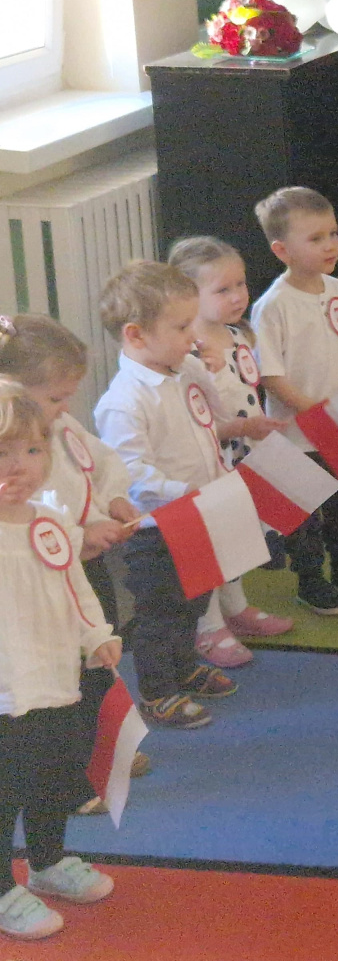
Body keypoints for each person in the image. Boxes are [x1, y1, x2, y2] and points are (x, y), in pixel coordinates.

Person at [96, 262, 275, 725]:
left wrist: (214, 376)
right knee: (160, 613)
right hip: (157, 529)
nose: (194, 336)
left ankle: (185, 667)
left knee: (193, 602)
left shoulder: (185, 367)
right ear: (136, 335)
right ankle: (158, 692)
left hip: (200, 512)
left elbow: (214, 420)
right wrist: (191, 492)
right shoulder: (124, 401)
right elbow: (131, 474)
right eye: (181, 327)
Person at [0, 315, 152, 811]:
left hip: (83, 572)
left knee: (99, 659)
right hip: (41, 583)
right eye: (55, 397)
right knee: (60, 679)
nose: (65, 408)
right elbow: (35, 512)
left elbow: (101, 465)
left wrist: (113, 502)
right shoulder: (15, 450)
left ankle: (99, 750)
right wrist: (80, 535)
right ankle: (72, 773)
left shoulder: (62, 428)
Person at [0, 382, 121, 941]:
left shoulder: (49, 523)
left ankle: (47, 860)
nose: (20, 465)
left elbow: (76, 587)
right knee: (5, 791)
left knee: (52, 775)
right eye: (3, 451)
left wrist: (96, 634)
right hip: (7, 693)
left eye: (33, 449)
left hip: (56, 680)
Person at [251, 187, 338, 614]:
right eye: (315, 238)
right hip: (298, 435)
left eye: (332, 234)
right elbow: (271, 376)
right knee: (304, 513)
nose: (331, 245)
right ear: (282, 250)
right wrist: (315, 410)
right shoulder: (273, 306)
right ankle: (310, 580)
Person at [168, 237, 294, 663]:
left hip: (247, 453)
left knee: (238, 537)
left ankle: (235, 608)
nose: (238, 296)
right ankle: (208, 626)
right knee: (210, 544)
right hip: (214, 459)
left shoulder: (240, 336)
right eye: (223, 289)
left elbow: (248, 392)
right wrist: (241, 428)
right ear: (187, 296)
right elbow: (193, 424)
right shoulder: (187, 354)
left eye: (240, 284)